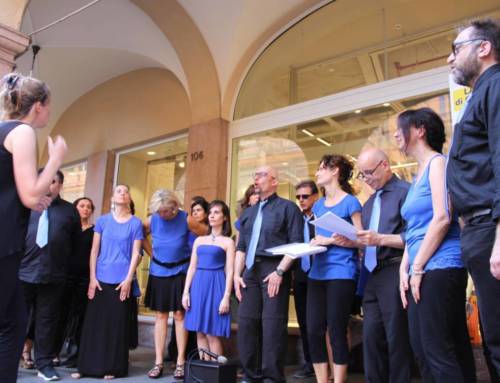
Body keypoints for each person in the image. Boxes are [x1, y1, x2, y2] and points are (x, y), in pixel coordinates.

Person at [396, 108, 476, 382]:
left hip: (441, 266)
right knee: (422, 349)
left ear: (419, 130)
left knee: (437, 350)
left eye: (401, 128)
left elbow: (442, 217)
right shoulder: (417, 175)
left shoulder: (438, 164)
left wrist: (417, 268)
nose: (396, 134)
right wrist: (405, 268)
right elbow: (414, 228)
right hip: (420, 269)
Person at [0, 73, 67, 383]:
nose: (50, 112)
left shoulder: (4, 129)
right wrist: (55, 159)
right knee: (9, 324)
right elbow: (29, 194)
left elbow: (16, 191)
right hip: (4, 243)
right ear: (38, 106)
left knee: (13, 322)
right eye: (49, 106)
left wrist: (34, 199)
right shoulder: (23, 131)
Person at [446, 18, 500, 376]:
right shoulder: (481, 93)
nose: (449, 60)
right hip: (479, 229)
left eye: (456, 49)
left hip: (490, 226)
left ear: (484, 47)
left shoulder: (496, 86)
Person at [234, 165, 303, 382]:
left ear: (275, 181)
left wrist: (280, 271)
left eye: (262, 175)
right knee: (246, 323)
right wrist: (237, 275)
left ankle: (272, 377)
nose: (257, 178)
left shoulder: (288, 208)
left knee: (273, 325)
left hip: (275, 268)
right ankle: (249, 375)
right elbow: (242, 247)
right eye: (255, 174)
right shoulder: (249, 212)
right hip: (250, 272)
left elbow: (296, 244)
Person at [74, 184, 143, 379]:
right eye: (119, 191)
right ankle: (86, 368)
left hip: (122, 281)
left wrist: (129, 279)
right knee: (94, 324)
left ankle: (112, 368)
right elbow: (94, 251)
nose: (123, 193)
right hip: (100, 279)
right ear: (112, 197)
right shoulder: (103, 221)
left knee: (116, 326)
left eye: (126, 191)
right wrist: (92, 278)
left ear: (129, 199)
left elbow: (136, 253)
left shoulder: (135, 223)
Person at [355, 147, 412, 383]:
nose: (366, 179)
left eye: (369, 173)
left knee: (396, 335)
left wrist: (380, 238)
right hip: (371, 274)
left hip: (394, 268)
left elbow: (415, 236)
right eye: (362, 175)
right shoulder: (368, 203)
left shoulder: (405, 192)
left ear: (385, 165)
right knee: (371, 337)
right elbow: (367, 239)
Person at [19, 169, 80, 381]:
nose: (48, 185)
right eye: (44, 181)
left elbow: (75, 244)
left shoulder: (69, 211)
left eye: (53, 182)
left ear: (60, 185)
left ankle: (43, 364)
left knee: (47, 321)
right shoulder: (25, 205)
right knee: (15, 319)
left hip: (54, 275)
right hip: (23, 272)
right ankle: (7, 362)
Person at [307, 155, 362, 383]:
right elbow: (320, 236)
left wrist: (335, 241)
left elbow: (362, 239)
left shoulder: (351, 202)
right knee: (313, 329)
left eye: (321, 169)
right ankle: (322, 380)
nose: (317, 173)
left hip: (342, 272)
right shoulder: (318, 205)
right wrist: (313, 243)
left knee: (336, 329)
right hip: (317, 271)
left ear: (335, 171)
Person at [142, 189, 191, 380]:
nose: (163, 215)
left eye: (167, 211)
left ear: (175, 206)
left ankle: (180, 362)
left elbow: (204, 234)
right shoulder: (152, 219)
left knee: (179, 314)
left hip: (180, 271)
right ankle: (158, 362)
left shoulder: (186, 218)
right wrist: (152, 254)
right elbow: (141, 235)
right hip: (159, 272)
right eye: (160, 212)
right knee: (161, 315)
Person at [183, 200, 235, 357]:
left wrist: (226, 296)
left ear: (225, 217)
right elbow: (192, 267)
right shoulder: (199, 240)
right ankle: (203, 371)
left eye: (217, 212)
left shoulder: (228, 241)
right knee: (199, 332)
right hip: (198, 285)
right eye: (210, 212)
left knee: (212, 333)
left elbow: (230, 271)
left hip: (216, 284)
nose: (212, 216)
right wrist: (186, 292)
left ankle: (215, 374)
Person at [55, 197, 95, 368]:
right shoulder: (69, 228)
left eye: (88, 207)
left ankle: (75, 354)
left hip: (85, 278)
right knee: (61, 315)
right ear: (75, 208)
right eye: (82, 206)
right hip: (65, 276)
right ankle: (54, 352)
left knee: (80, 316)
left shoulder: (95, 231)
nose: (85, 209)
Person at [291, 180, 318, 380]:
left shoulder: (323, 216)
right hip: (300, 275)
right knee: (304, 321)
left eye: (305, 196)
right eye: (298, 197)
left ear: (315, 196)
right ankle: (309, 363)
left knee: (319, 322)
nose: (301, 200)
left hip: (321, 274)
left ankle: (322, 362)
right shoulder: (296, 219)